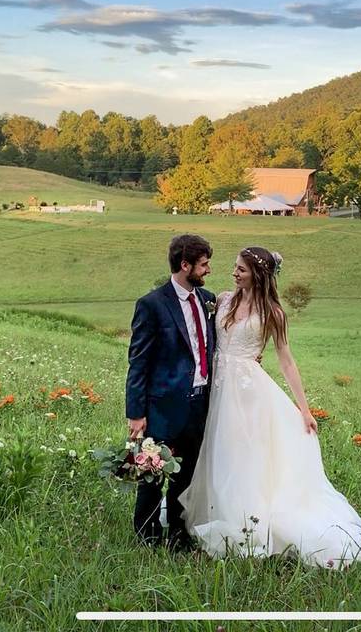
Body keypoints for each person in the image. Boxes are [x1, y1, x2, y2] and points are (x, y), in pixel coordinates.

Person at [180, 247, 361, 569]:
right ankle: (214, 510)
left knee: (243, 455)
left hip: (246, 391)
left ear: (258, 276)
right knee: (219, 450)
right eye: (234, 267)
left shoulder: (273, 313)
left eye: (241, 270)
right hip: (217, 385)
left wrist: (304, 408)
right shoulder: (222, 299)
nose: (234, 273)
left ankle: (245, 522)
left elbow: (286, 360)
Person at [125, 234, 216, 551]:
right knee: (152, 477)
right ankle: (146, 540)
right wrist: (136, 413)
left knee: (186, 476)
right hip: (161, 408)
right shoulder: (152, 304)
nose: (208, 270)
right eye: (203, 265)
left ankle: (179, 535)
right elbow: (138, 362)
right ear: (185, 264)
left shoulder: (208, 300)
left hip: (198, 406)